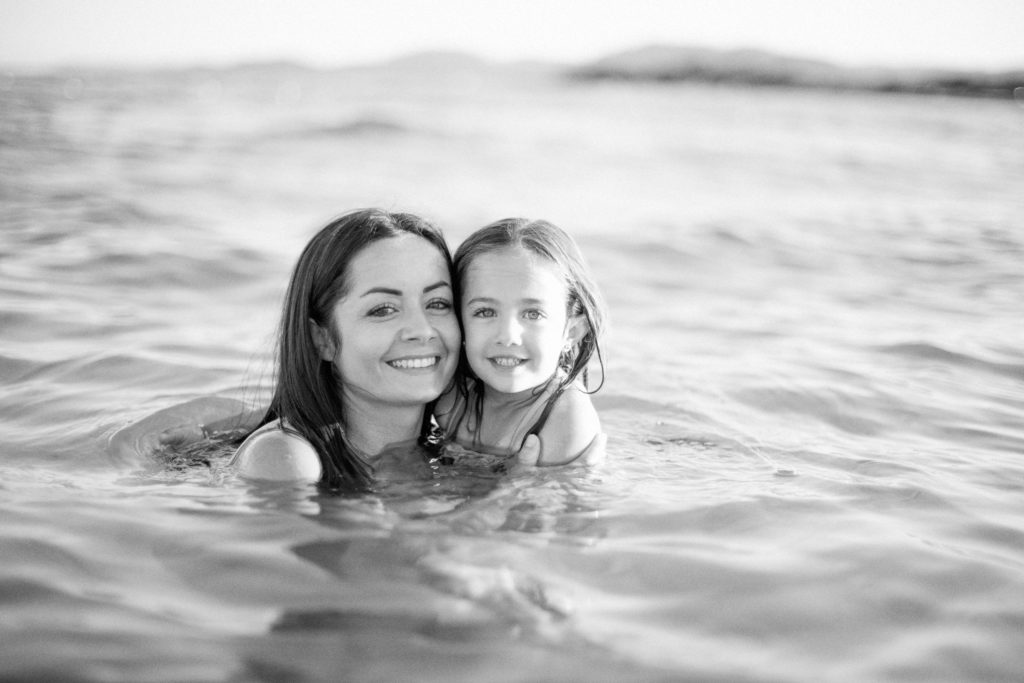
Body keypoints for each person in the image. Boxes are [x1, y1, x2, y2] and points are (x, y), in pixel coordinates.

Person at [435, 217, 607, 467]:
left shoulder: (566, 419)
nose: (507, 336)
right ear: (460, 321)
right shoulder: (452, 394)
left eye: (533, 314)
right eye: (485, 312)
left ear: (572, 331)